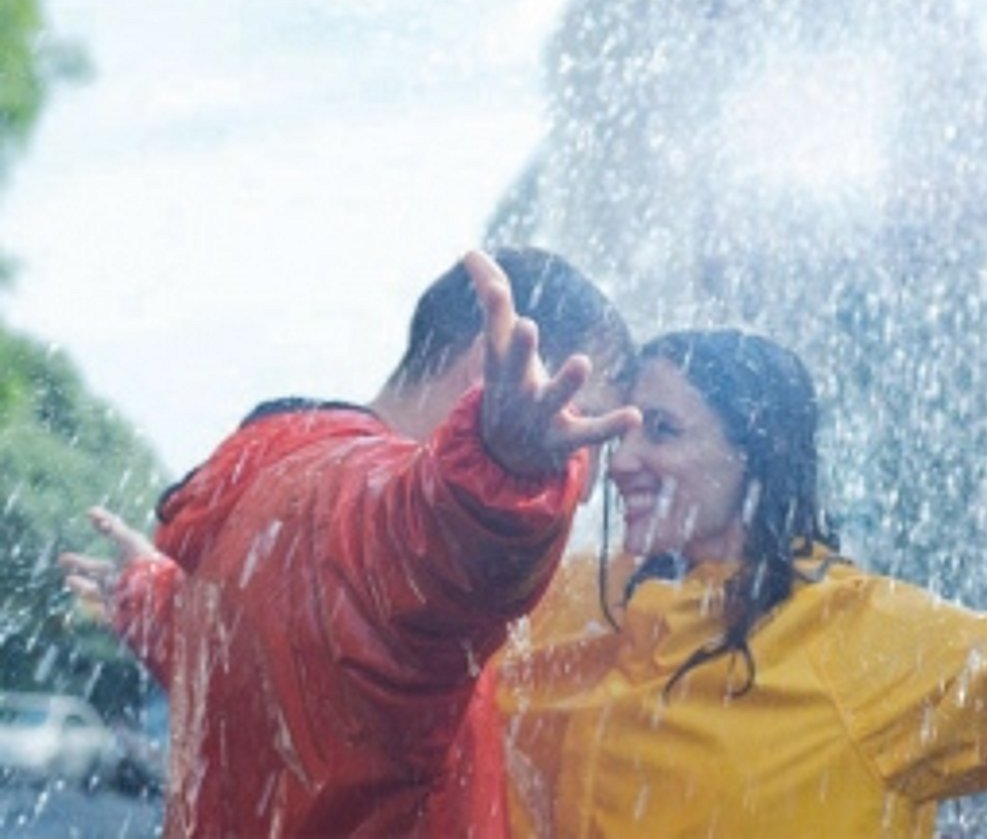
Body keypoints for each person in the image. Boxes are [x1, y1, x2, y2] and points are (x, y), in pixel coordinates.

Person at [492, 328, 987, 837]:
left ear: (753, 456)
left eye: (665, 431)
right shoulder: (577, 601)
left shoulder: (853, 636)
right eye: (625, 435)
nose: (622, 463)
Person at [60, 247, 640, 838]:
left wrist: (152, 599)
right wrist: (502, 469)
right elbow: (415, 551)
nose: (589, 479)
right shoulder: (375, 500)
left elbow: (293, 670)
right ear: (486, 373)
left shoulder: (277, 487)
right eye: (580, 417)